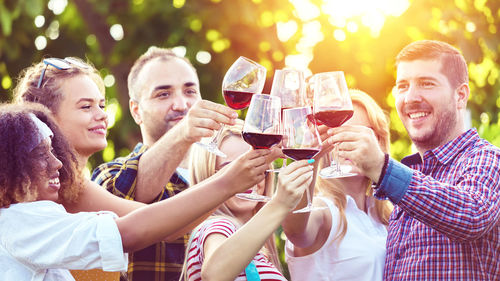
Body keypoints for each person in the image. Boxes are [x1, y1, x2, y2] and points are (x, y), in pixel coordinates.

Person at [13, 56, 273, 281]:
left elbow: (166, 223)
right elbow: (143, 229)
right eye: (86, 106)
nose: (102, 114)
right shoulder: (51, 191)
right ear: (46, 116)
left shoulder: (74, 186)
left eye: (101, 105)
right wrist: (229, 181)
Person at [327, 40, 500, 280]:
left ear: (460, 95)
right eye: (403, 86)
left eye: (427, 84)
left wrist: (381, 167)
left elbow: (471, 216)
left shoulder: (486, 158)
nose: (410, 97)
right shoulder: (409, 180)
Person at [90, 47, 248, 280]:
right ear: (136, 111)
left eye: (190, 91)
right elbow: (125, 199)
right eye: (163, 94)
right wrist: (184, 132)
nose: (182, 104)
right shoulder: (108, 174)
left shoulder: (226, 172)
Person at [181, 120, 314, 281]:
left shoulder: (249, 242)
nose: (249, 176)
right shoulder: (218, 226)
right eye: (232, 169)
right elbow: (214, 275)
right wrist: (280, 204)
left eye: (257, 165)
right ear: (208, 175)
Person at [282, 89, 392, 281]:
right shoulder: (323, 210)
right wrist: (310, 158)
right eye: (341, 132)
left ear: (380, 142)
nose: (350, 141)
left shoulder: (385, 215)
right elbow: (295, 230)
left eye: (361, 133)